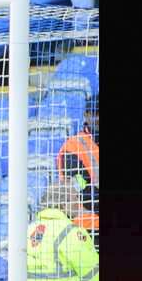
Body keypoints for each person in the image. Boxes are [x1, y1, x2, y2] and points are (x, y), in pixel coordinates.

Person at [26, 179, 99, 281]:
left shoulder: (27, 233)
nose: (79, 204)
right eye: (75, 198)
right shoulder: (73, 233)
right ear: (64, 205)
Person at [56, 94, 99, 245]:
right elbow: (82, 192)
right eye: (96, 113)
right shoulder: (73, 146)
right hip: (87, 229)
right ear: (86, 115)